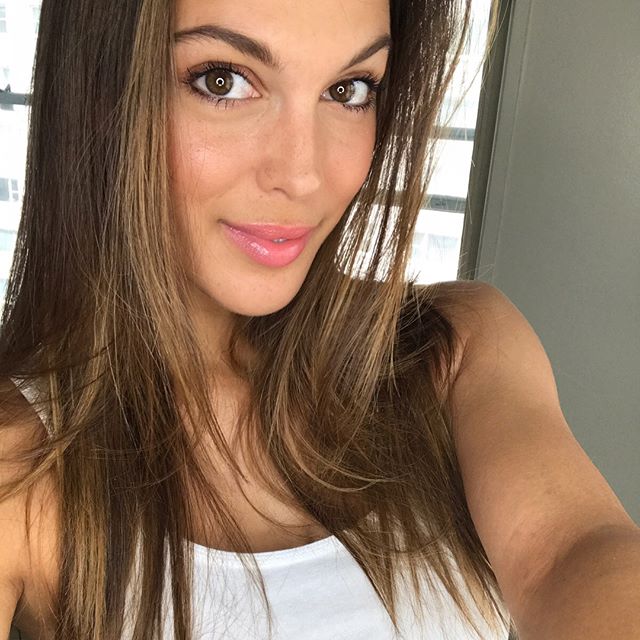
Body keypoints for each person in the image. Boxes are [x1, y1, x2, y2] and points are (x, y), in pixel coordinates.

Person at [1, 0, 638, 639]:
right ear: (99, 88)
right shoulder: (23, 457)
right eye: (222, 81)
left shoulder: (452, 350)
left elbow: (573, 552)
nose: (303, 175)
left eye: (348, 90)